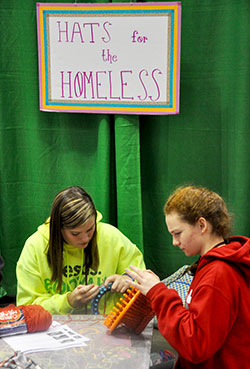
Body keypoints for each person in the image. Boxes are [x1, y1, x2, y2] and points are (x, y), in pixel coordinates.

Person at [125, 185, 250, 369]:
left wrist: (158, 293)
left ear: (201, 225)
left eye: (177, 234)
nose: (175, 242)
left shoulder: (218, 275)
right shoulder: (217, 262)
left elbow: (195, 345)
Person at [16, 186, 145, 315]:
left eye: (90, 229)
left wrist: (127, 279)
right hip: (54, 330)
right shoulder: (35, 247)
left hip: (108, 326)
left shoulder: (111, 236)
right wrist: (67, 302)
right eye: (75, 233)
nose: (85, 239)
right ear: (58, 229)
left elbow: (143, 277)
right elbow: (27, 310)